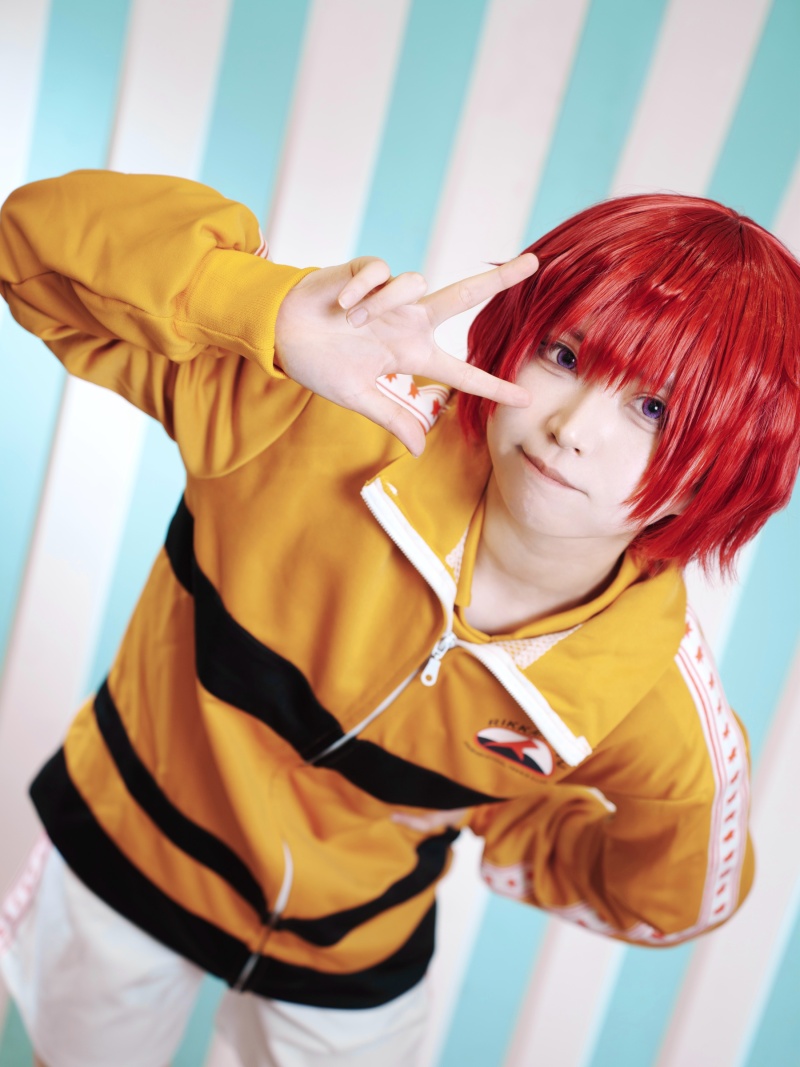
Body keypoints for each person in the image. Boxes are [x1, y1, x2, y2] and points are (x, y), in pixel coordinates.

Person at [0, 169, 798, 1067]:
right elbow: (29, 246)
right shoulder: (313, 414)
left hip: (351, 955)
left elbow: (675, 898)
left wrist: (507, 822)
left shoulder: (649, 694)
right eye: (567, 356)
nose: (574, 426)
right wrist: (262, 307)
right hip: (126, 844)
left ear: (718, 473)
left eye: (652, 409)